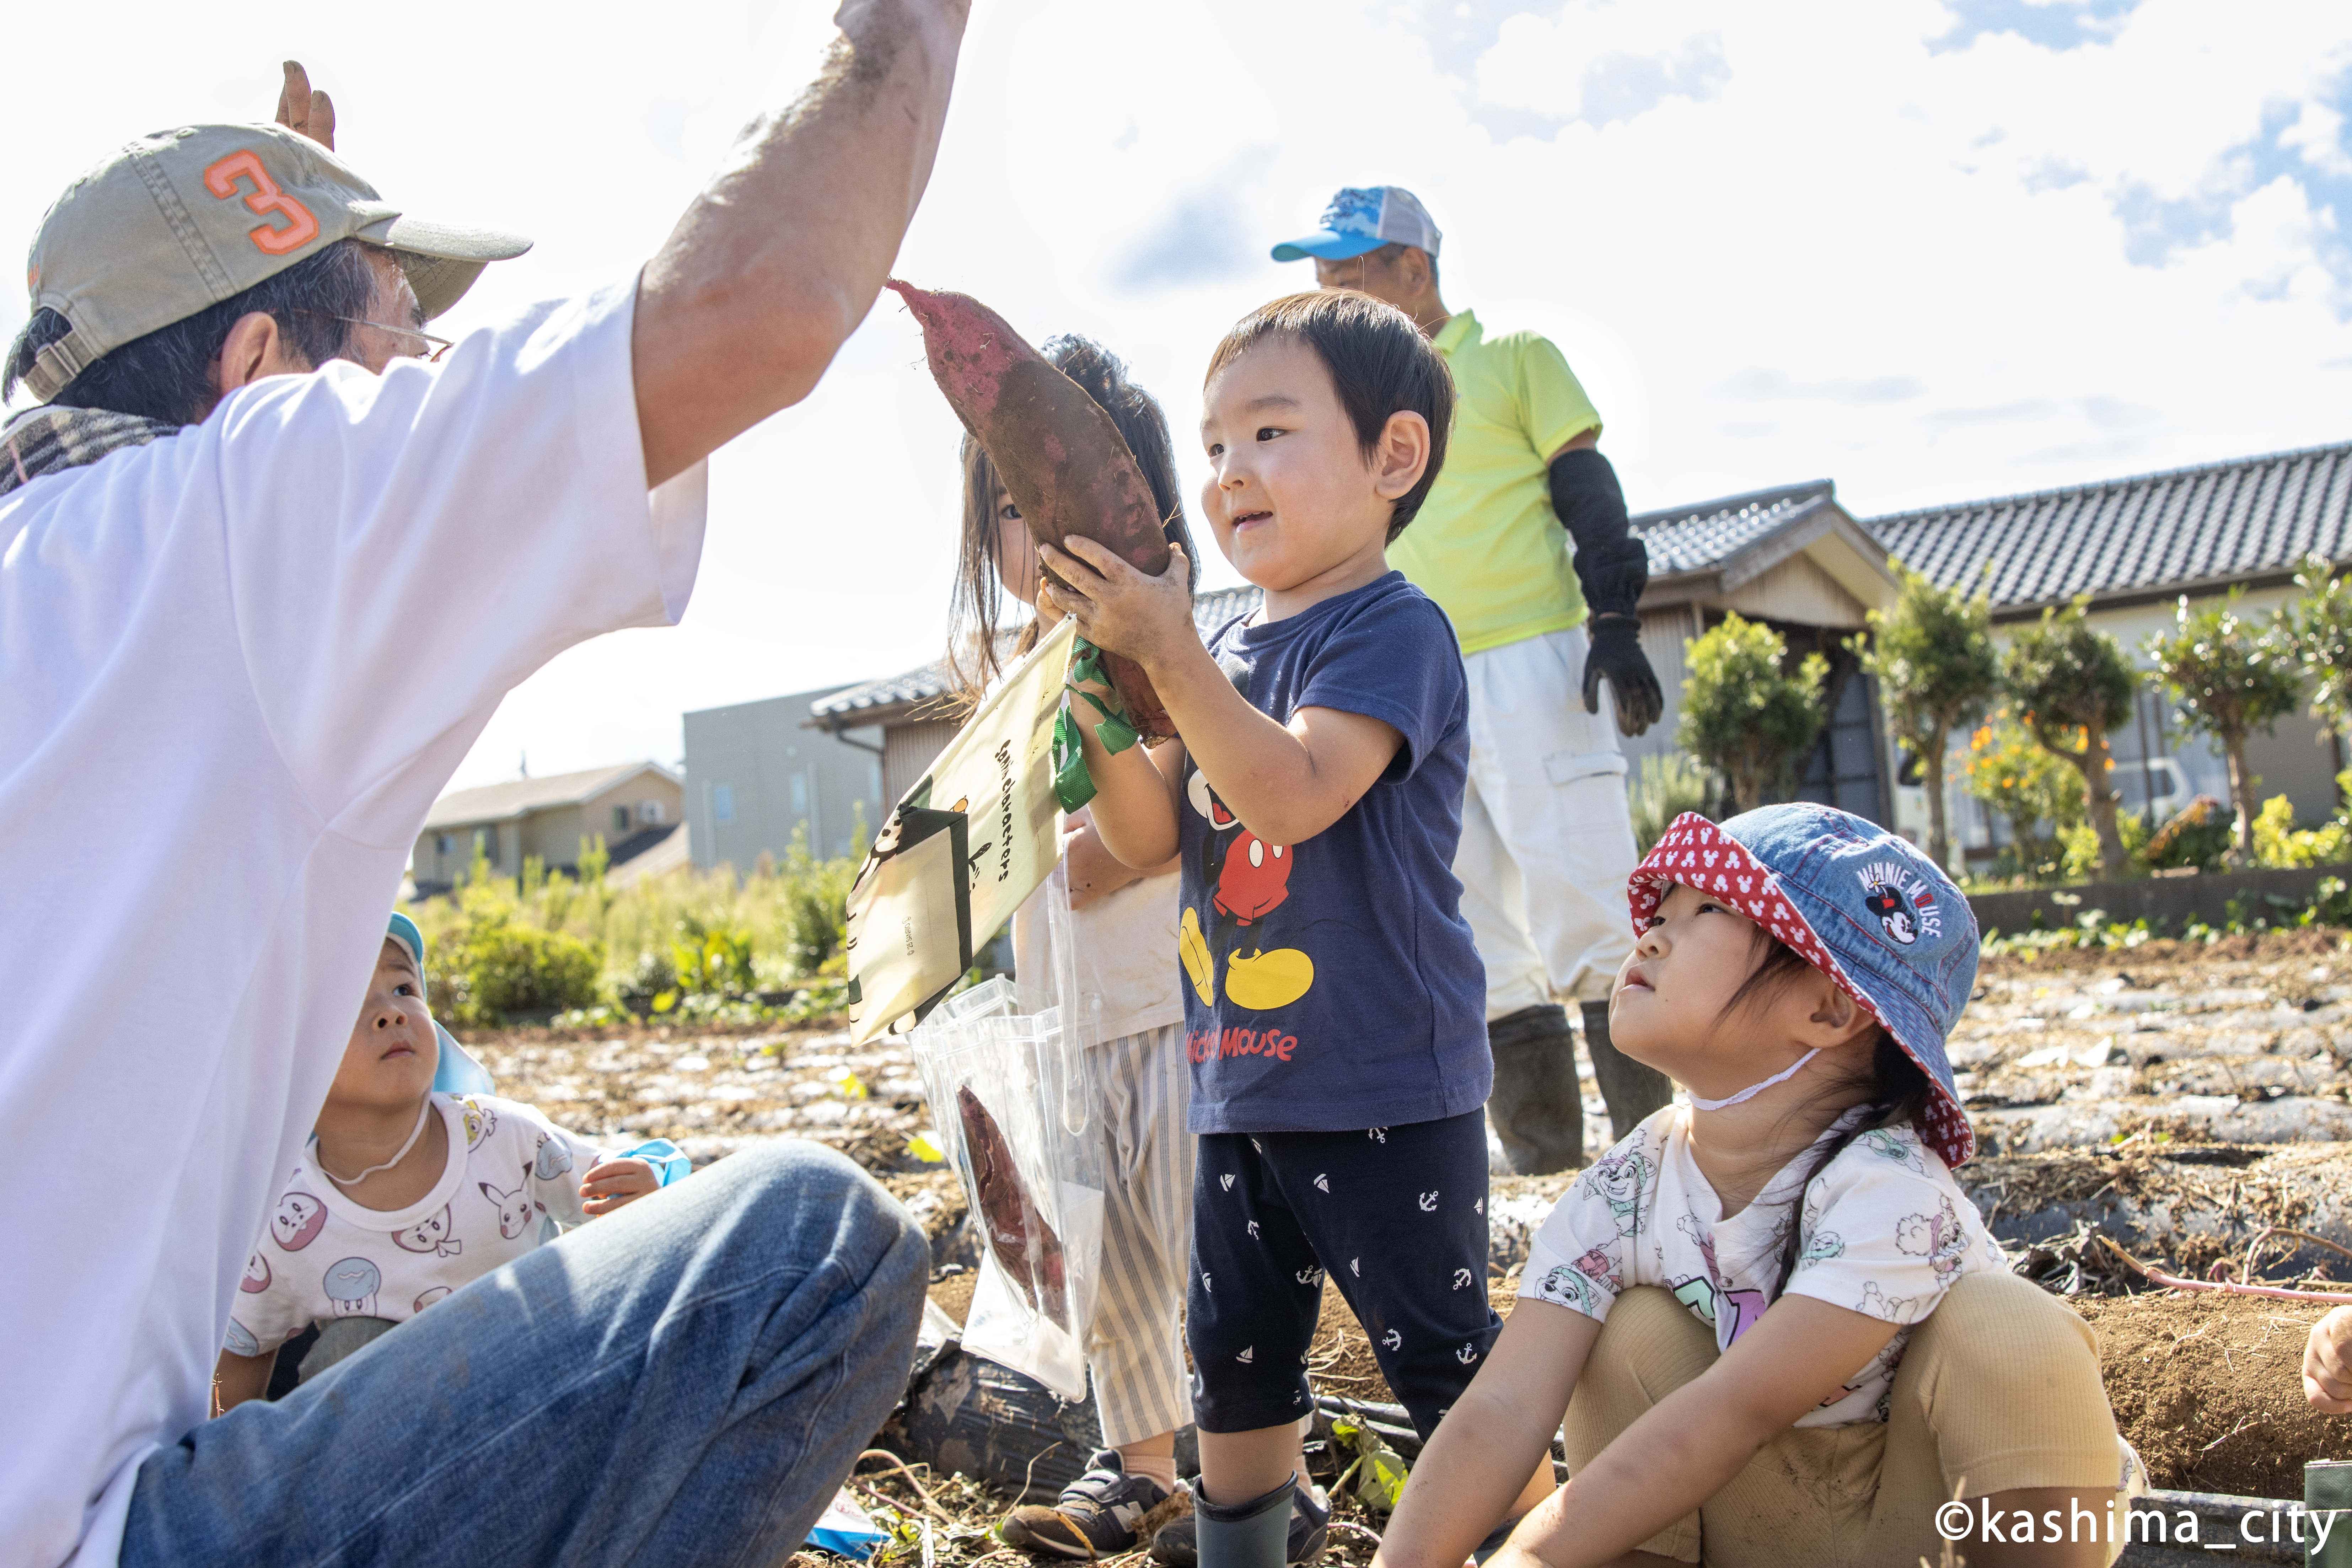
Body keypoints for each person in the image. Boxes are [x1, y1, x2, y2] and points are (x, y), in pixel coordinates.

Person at [0, 9, 967, 1562]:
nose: (415, 382)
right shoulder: (239, 517)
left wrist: (306, 250)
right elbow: (761, 303)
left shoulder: (71, 574)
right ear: (258, 375)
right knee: (806, 1248)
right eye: (396, 342)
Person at [1039, 290, 1554, 1568]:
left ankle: (1553, 1541)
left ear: (1391, 458)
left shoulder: (1391, 630)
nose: (1227, 476)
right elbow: (1159, 835)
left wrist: (1171, 659)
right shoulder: (1216, 648)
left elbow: (1291, 791)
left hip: (1380, 1075)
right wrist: (1106, 714)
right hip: (1238, 1080)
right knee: (1235, 1360)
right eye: (1214, 448)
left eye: (1268, 433)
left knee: (1436, 1350)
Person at [1371, 805, 2133, 1568]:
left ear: (1829, 1006)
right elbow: (1504, 1406)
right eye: (1660, 908)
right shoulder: (1629, 1184)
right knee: (1631, 1329)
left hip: (1923, 1527)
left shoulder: (1892, 1191)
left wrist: (1527, 1561)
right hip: (1761, 1519)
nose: (1654, 934)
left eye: (1707, 909)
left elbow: (1735, 1411)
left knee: (2006, 1322)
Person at [1271, 185, 1672, 1176]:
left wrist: (1613, 617)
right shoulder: (1348, 411)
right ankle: (1543, 1165)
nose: (1328, 290)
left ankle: (1656, 1155)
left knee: (1585, 894)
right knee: (1468, 921)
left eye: (1349, 271)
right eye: (1318, 277)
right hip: (1410, 679)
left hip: (1531, 656)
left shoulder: (1512, 361)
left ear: (1415, 266)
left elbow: (1584, 484)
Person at [939, 336, 1202, 1558]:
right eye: (1008, 507)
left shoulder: (1165, 634)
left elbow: (1157, 800)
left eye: (1075, 498)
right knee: (1109, 1258)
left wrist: (1108, 841)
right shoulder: (1019, 675)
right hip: (1068, 1012)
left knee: (1198, 1238)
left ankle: (1258, 1462)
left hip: (1174, 1001)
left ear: (1139, 505)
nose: (1039, 529)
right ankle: (1140, 1463)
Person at [213, 915, 669, 1409]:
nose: (390, 1012)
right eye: (347, 1003)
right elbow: (241, 1359)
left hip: (538, 1397)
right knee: (354, 1343)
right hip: (400, 1458)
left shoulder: (503, 1136)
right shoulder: (289, 1219)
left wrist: (647, 1191)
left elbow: (623, 1179)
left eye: (404, 987)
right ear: (290, 1066)